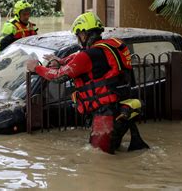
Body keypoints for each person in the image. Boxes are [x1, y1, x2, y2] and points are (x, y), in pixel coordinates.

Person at [27, 12, 149, 154]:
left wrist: (36, 67)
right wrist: (59, 60)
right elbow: (77, 58)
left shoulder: (88, 55)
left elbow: (58, 77)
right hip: (122, 108)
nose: (78, 39)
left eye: (78, 35)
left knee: (99, 158)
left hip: (105, 114)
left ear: (84, 35)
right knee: (111, 151)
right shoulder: (108, 47)